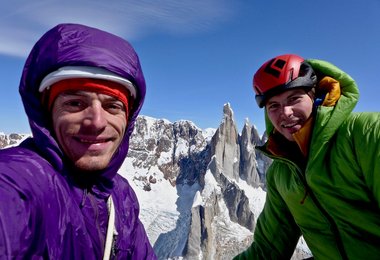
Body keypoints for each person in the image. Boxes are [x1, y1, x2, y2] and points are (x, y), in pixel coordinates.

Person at [0, 23, 157, 259]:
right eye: (75, 103)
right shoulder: (19, 184)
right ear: (47, 111)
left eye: (112, 106)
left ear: (128, 118)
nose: (96, 122)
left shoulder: (121, 197)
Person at [234, 54, 380, 259]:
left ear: (316, 95)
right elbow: (267, 250)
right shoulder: (281, 174)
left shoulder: (366, 134)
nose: (285, 112)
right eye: (273, 106)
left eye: (294, 99)